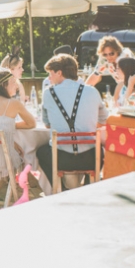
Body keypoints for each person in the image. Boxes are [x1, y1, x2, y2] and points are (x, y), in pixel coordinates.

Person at [37, 54, 107, 190]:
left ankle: (61, 190)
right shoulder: (92, 91)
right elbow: (104, 120)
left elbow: (47, 124)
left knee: (41, 152)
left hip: (62, 159)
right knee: (99, 148)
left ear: (59, 72)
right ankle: (88, 186)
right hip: (90, 159)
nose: (48, 78)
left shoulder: (48, 93)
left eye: (50, 74)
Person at [0, 70, 37, 196]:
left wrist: (8, 128)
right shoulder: (14, 104)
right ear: (4, 85)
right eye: (13, 82)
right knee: (23, 156)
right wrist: (10, 126)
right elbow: (31, 123)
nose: (16, 85)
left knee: (15, 154)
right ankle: (31, 189)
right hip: (5, 160)